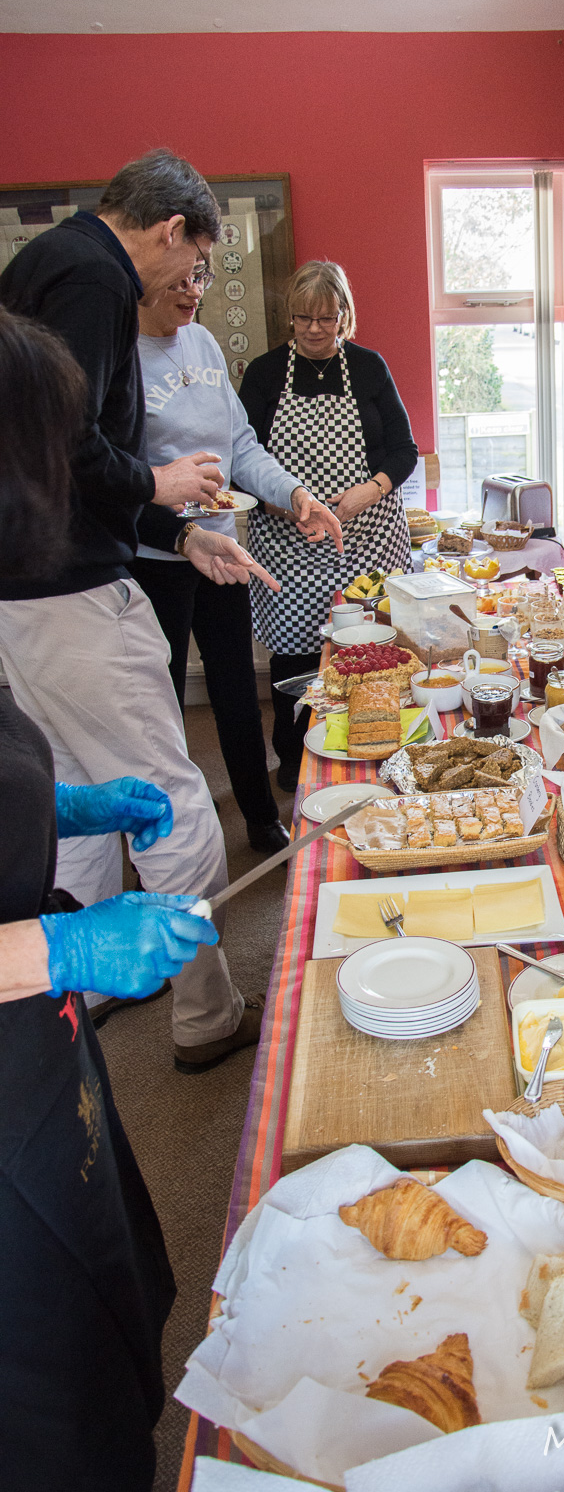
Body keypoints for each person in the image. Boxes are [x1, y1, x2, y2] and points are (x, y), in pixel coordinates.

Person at [0, 304, 219, 1490]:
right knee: (51, 1409)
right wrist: (57, 951)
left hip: (39, 1064)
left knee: (107, 1319)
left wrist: (64, 808)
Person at [0, 148, 275, 1072]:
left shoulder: (50, 260)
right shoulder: (95, 276)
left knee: (72, 805)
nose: (189, 278)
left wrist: (180, 532)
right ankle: (206, 1014)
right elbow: (72, 444)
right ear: (170, 229)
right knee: (174, 800)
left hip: (28, 597)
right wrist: (158, 484)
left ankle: (73, 994)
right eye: (195, 259)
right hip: (75, 595)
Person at [133, 260, 344, 852]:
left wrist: (295, 494)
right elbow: (115, 476)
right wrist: (176, 526)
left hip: (222, 545)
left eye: (199, 277)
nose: (193, 291)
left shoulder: (202, 341)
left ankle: (258, 814)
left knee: (236, 691)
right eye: (180, 280)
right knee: (161, 702)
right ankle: (166, 832)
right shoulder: (119, 355)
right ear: (144, 276)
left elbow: (241, 446)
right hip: (156, 555)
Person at [239, 260, 418, 789]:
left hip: (368, 541)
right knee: (295, 655)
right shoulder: (265, 374)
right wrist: (289, 507)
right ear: (290, 317)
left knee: (371, 654)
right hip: (289, 546)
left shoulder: (368, 368)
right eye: (303, 318)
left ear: (345, 315)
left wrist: (370, 490)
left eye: (326, 318)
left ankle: (375, 748)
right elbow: (240, 463)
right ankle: (294, 760)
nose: (314, 329)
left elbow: (404, 451)